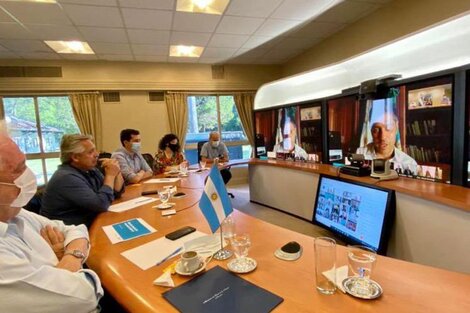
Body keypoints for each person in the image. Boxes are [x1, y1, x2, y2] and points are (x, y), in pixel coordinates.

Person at [0, 132, 103, 312]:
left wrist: (69, 257)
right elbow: (85, 296)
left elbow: (74, 230)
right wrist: (64, 261)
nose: (28, 175)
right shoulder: (66, 177)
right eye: (18, 170)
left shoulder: (16, 213)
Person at [41, 134, 124, 228]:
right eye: (91, 152)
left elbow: (115, 193)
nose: (97, 154)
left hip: (89, 224)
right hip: (67, 233)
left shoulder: (90, 169)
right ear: (75, 157)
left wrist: (117, 170)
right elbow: (101, 204)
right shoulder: (66, 178)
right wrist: (110, 175)